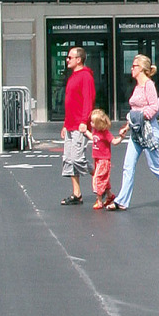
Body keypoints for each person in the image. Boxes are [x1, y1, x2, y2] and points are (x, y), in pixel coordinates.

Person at [114, 53, 159, 211]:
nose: (131, 68)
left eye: (134, 66)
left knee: (155, 166)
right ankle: (122, 200)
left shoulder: (148, 85)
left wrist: (140, 116)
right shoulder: (137, 86)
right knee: (128, 166)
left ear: (142, 68)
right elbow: (135, 110)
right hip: (136, 131)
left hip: (149, 131)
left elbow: (154, 108)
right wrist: (127, 126)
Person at [59, 45, 95, 205]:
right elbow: (70, 103)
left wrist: (83, 122)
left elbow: (88, 100)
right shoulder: (73, 76)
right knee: (68, 159)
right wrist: (65, 124)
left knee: (77, 159)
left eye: (70, 57)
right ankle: (77, 193)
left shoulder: (85, 76)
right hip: (70, 124)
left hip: (80, 125)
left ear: (78, 60)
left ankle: (101, 179)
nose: (67, 60)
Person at [89, 109, 115, 210]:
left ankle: (99, 200)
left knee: (98, 178)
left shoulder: (105, 133)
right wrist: (85, 132)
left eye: (92, 122)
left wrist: (121, 137)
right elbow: (93, 138)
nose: (91, 124)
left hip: (104, 160)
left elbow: (114, 141)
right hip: (97, 159)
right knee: (104, 179)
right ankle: (109, 195)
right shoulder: (95, 131)